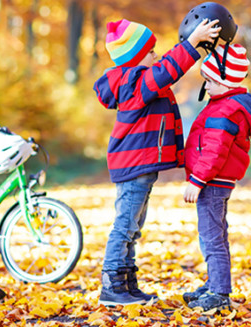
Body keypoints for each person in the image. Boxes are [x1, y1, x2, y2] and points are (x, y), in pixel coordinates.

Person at [94, 17, 221, 306]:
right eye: (151, 51)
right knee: (125, 225)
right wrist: (191, 43)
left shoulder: (137, 81)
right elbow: (168, 71)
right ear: (136, 58)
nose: (156, 55)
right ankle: (112, 285)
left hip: (139, 166)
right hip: (133, 166)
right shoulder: (135, 82)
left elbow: (164, 70)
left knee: (133, 226)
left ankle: (126, 283)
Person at [182, 43, 251, 312]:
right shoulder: (223, 104)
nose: (205, 87)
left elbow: (215, 151)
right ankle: (214, 284)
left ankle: (219, 293)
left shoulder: (226, 110)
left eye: (210, 81)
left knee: (212, 238)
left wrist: (197, 180)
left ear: (225, 81)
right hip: (216, 182)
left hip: (212, 182)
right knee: (213, 234)